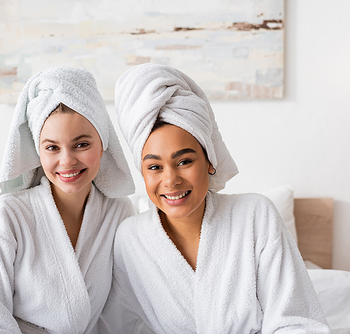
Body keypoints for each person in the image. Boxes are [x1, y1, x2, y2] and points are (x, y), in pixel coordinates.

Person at [98, 63, 330, 333]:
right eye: (154, 167)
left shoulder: (255, 215)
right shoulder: (130, 238)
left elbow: (297, 320)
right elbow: (116, 326)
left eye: (184, 161)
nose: (170, 180)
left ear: (210, 161)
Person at [0, 67, 135, 333]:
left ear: (103, 142)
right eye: (52, 147)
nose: (67, 160)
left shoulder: (118, 213)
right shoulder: (7, 216)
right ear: (38, 150)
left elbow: (122, 311)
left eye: (82, 144)